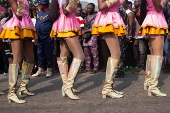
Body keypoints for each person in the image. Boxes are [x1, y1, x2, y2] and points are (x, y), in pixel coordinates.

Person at [0, 0, 38, 103]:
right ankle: (11, 93)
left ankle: (23, 87)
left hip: (27, 25)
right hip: (17, 25)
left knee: (30, 59)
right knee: (17, 59)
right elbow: (18, 14)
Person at [50, 0, 84, 100]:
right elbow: (65, 11)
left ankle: (65, 86)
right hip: (67, 24)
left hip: (65, 23)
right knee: (80, 56)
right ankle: (68, 86)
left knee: (64, 54)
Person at [92, 0, 126, 98]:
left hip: (114, 19)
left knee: (116, 53)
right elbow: (101, 6)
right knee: (116, 53)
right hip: (108, 20)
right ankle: (107, 89)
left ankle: (108, 87)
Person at [141, 0, 168, 96]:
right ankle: (153, 86)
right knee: (158, 55)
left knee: (153, 54)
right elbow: (159, 8)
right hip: (156, 20)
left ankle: (148, 82)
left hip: (153, 19)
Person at [32, 0, 54, 78]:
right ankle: (40, 69)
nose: (39, 5)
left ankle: (49, 70)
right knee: (39, 53)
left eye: (41, 4)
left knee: (48, 53)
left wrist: (52, 33)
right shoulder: (39, 13)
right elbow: (36, 24)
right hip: (39, 36)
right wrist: (35, 36)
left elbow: (54, 24)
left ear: (45, 4)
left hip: (48, 36)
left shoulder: (51, 12)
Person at [82, 3, 99, 74]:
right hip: (85, 37)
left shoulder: (96, 17)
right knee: (86, 53)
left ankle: (96, 68)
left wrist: (86, 31)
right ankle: (88, 67)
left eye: (90, 8)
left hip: (93, 37)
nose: (88, 10)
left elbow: (95, 27)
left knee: (94, 53)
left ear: (93, 8)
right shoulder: (85, 18)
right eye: (87, 8)